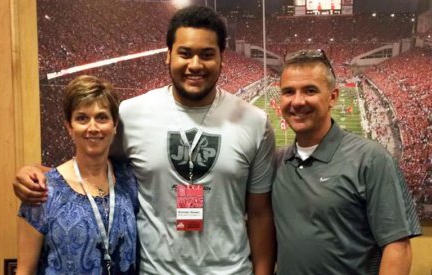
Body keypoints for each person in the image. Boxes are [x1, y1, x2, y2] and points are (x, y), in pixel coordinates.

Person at [14, 6, 276, 275]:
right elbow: (91, 164)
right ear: (168, 56)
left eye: (207, 55)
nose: (195, 65)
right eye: (185, 53)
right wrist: (39, 173)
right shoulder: (131, 113)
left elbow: (259, 214)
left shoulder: (254, 122)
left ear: (223, 58)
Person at [272, 49, 422, 275]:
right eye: (288, 92)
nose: (298, 101)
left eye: (310, 90)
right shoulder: (277, 162)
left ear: (333, 96)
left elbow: (397, 247)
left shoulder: (371, 159)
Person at [16, 75, 138, 275]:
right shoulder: (43, 191)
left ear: (114, 125)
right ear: (69, 127)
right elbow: (24, 271)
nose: (93, 127)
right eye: (82, 118)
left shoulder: (128, 181)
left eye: (102, 117)